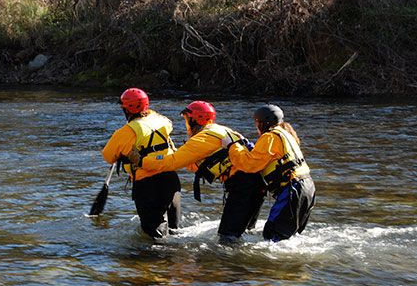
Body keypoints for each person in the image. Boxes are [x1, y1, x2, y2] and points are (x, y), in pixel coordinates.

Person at [128, 100, 266, 245]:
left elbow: (171, 163)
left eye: (187, 119)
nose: (186, 124)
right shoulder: (221, 130)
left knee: (227, 238)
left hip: (244, 188)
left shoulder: (202, 138)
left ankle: (227, 267)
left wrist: (141, 161)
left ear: (195, 120)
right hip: (256, 185)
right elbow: (198, 165)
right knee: (245, 234)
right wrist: (177, 152)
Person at [223, 104, 315, 242]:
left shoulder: (270, 136)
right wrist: (245, 144)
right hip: (307, 187)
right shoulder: (285, 134)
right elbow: (266, 156)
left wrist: (232, 146)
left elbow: (250, 165)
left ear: (262, 123)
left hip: (292, 190)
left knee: (273, 236)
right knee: (288, 238)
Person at [102, 88, 181, 240]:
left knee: (155, 237)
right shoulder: (162, 120)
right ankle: (174, 262)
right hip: (171, 180)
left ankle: (154, 263)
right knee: (173, 232)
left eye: (123, 107)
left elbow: (108, 156)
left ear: (127, 109)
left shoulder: (126, 132)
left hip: (148, 186)